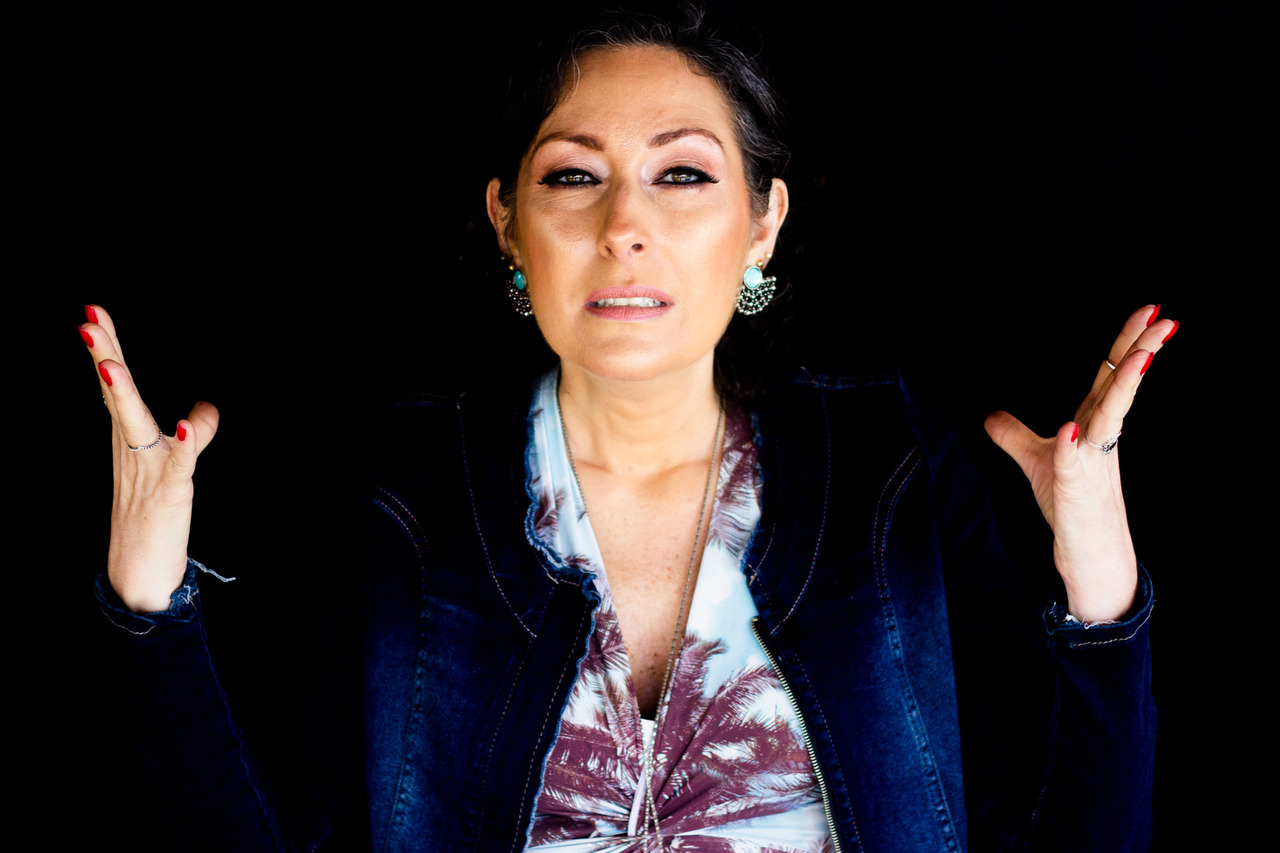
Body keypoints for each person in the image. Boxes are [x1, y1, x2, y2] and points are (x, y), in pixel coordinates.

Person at [85, 4, 1170, 851]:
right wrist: (149, 601)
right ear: (509, 223)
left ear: (762, 222)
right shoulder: (408, 485)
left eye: (682, 174)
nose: (624, 227)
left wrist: (1101, 589)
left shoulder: (891, 464)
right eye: (573, 176)